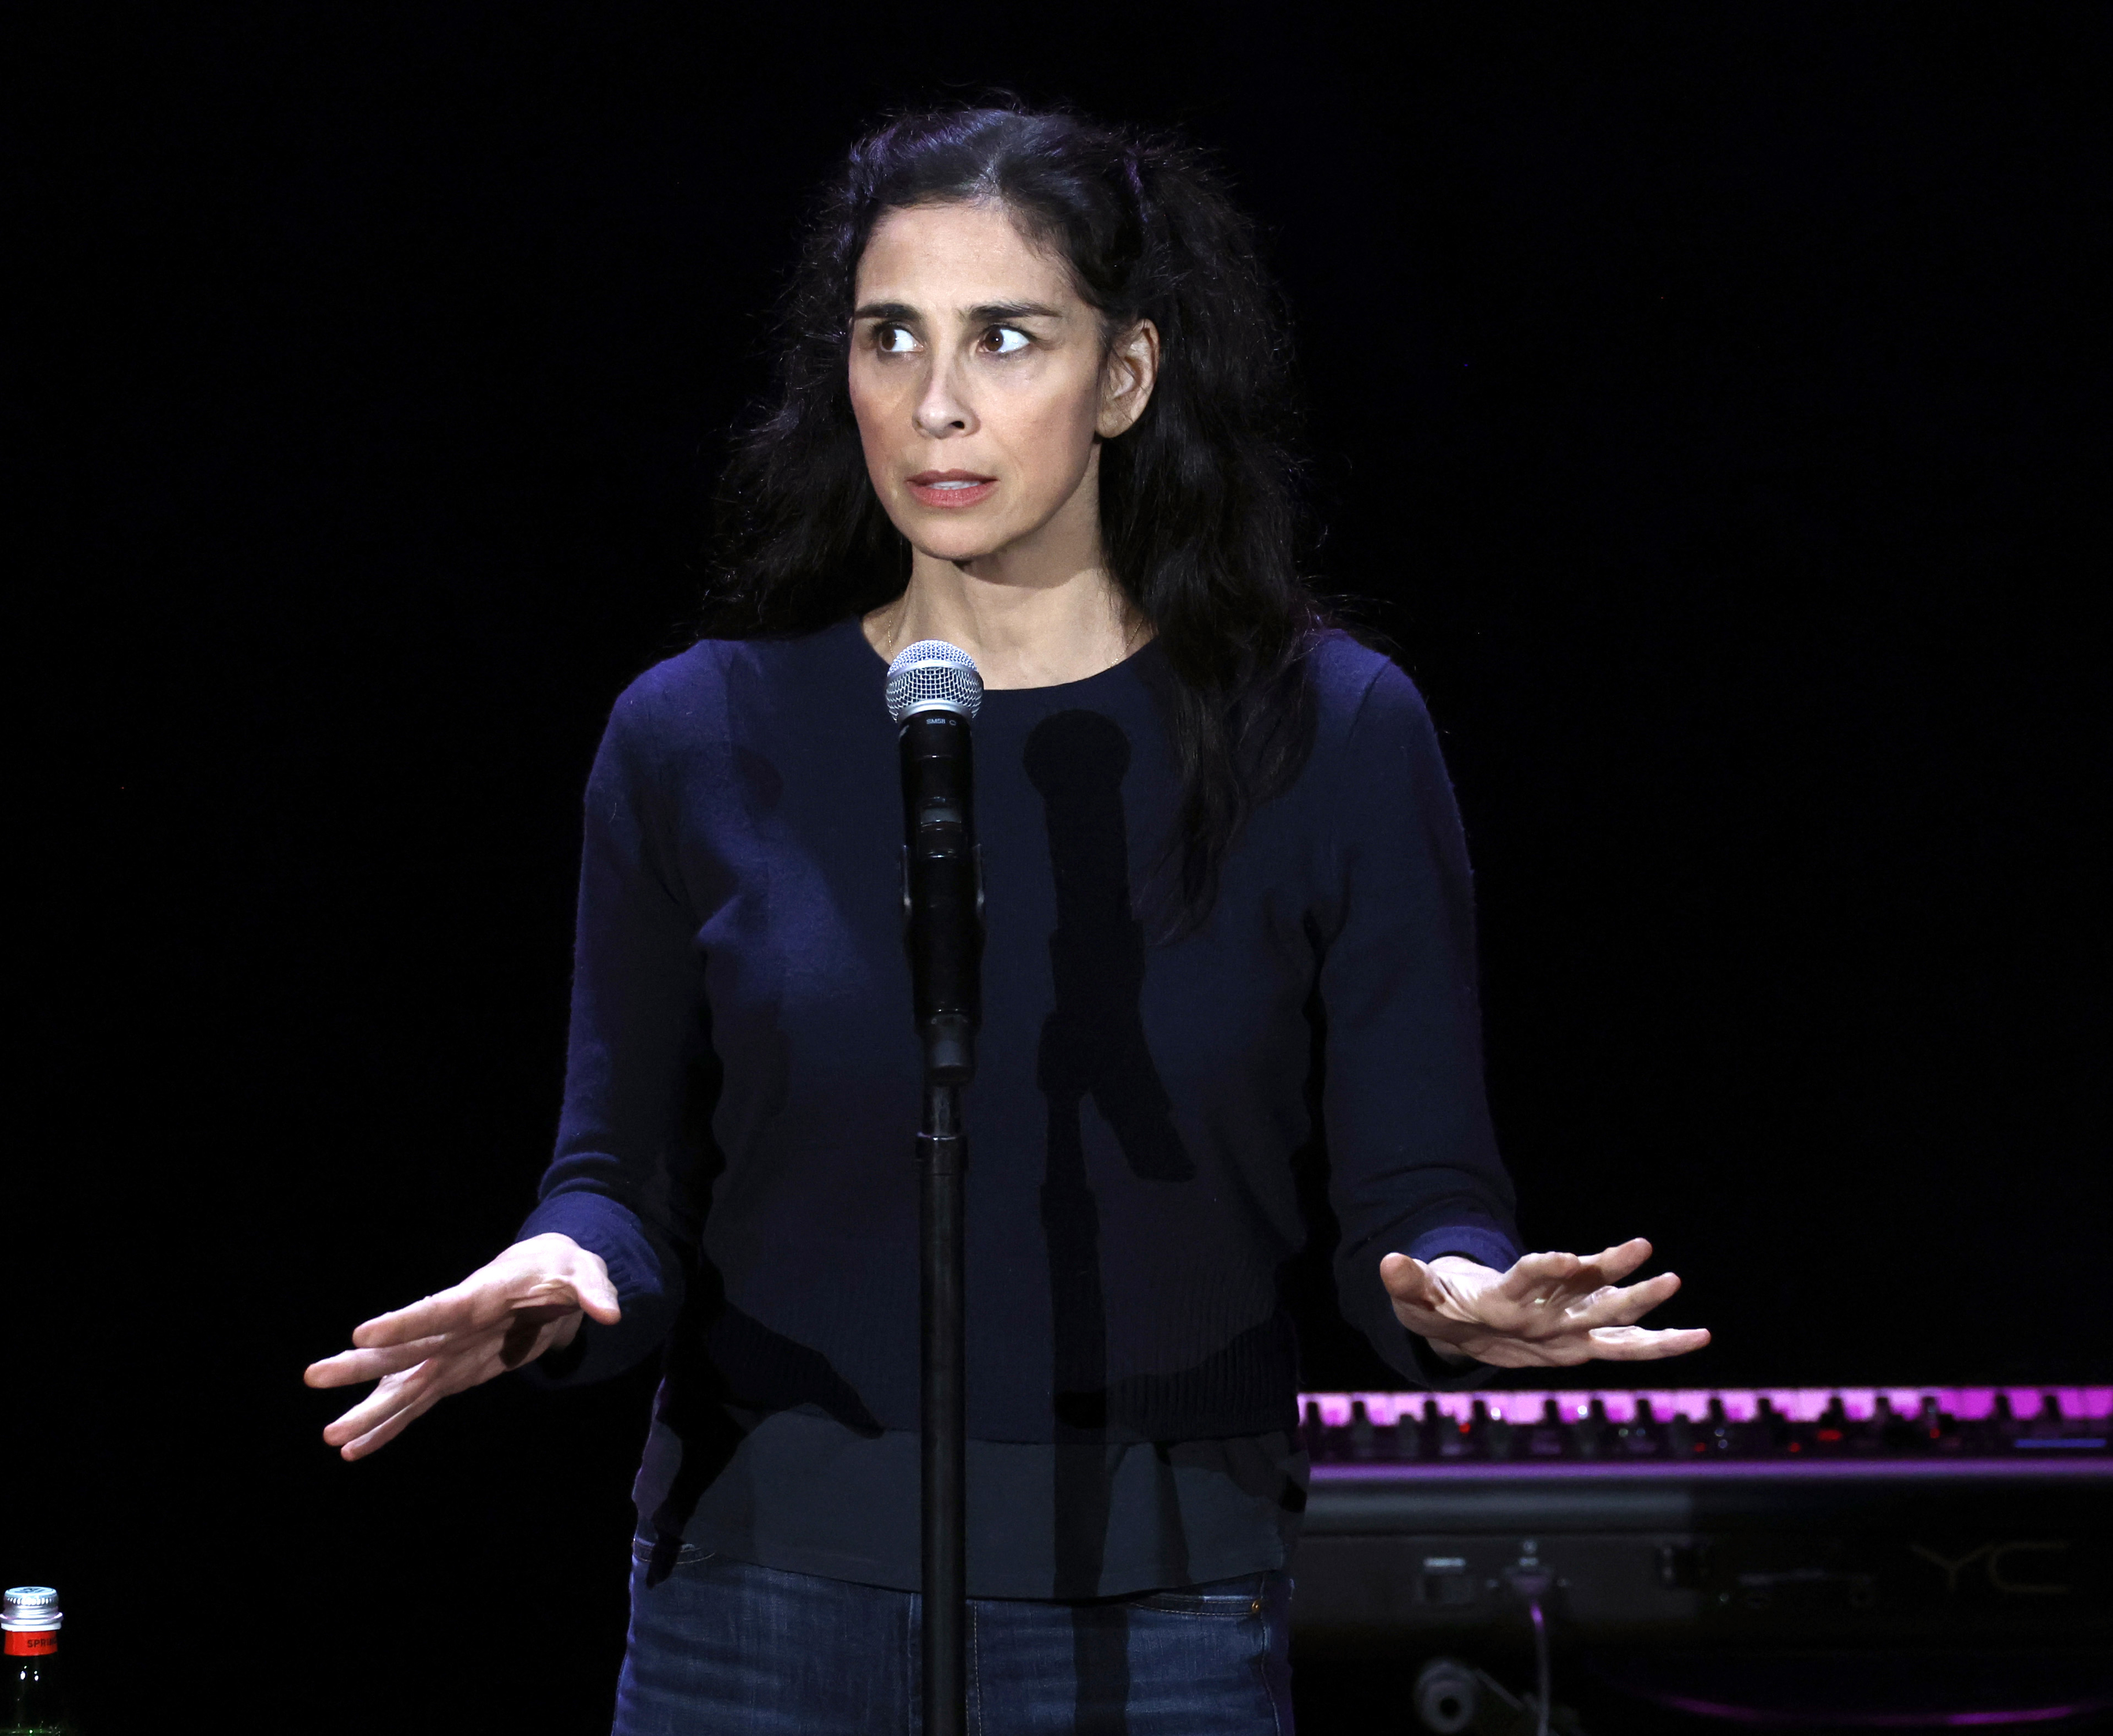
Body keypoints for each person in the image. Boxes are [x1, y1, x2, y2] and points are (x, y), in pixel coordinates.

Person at [306, 106, 1708, 1735]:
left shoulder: (1326, 732)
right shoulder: (698, 735)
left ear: (1127, 376)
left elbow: (1419, 1183)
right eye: (890, 337)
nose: (938, 403)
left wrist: (1457, 1283)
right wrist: (564, 1266)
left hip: (1159, 1615)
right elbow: (622, 1175)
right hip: (753, 1613)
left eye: (1008, 339)